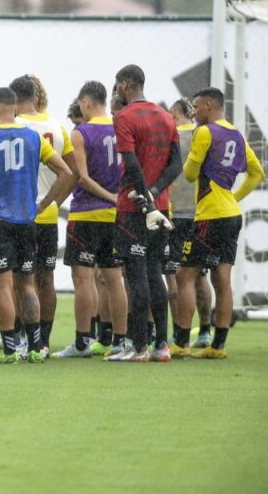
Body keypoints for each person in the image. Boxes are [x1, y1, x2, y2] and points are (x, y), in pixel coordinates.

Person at [0, 87, 73, 364]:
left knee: (3, 287)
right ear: (14, 108)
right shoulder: (34, 137)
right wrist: (47, 201)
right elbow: (66, 172)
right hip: (27, 220)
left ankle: (10, 351)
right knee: (27, 285)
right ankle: (35, 349)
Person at [173, 87, 264, 359]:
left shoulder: (204, 132)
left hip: (210, 215)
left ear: (210, 106)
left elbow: (189, 174)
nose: (195, 112)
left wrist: (191, 159)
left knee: (185, 274)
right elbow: (257, 173)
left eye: (197, 107)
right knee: (222, 279)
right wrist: (233, 198)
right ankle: (218, 346)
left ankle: (181, 341)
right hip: (231, 215)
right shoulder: (236, 134)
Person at [108, 64, 181, 363]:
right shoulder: (166, 116)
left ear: (125, 84)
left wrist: (143, 198)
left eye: (117, 85)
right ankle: (162, 345)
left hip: (134, 209)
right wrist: (155, 194)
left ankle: (139, 348)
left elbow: (132, 163)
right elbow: (176, 165)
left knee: (135, 274)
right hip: (160, 208)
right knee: (155, 273)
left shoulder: (124, 117)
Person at [53, 81, 127, 358]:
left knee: (83, 278)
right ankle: (120, 341)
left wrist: (108, 196)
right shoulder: (120, 127)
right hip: (115, 216)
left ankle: (83, 342)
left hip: (86, 213)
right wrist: (117, 198)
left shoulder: (81, 133)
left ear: (85, 103)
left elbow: (81, 176)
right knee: (114, 279)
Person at [10, 74, 75, 356]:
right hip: (47, 215)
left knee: (20, 280)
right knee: (45, 279)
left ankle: (23, 339)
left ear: (14, 100)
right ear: (36, 97)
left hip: (19, 215)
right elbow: (72, 173)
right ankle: (44, 341)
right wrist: (53, 200)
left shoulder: (14, 127)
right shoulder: (57, 128)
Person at [165, 98, 213, 349]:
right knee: (199, 275)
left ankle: (179, 332)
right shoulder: (202, 135)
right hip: (200, 214)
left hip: (176, 214)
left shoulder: (171, 137)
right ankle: (205, 331)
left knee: (175, 276)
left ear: (174, 113)